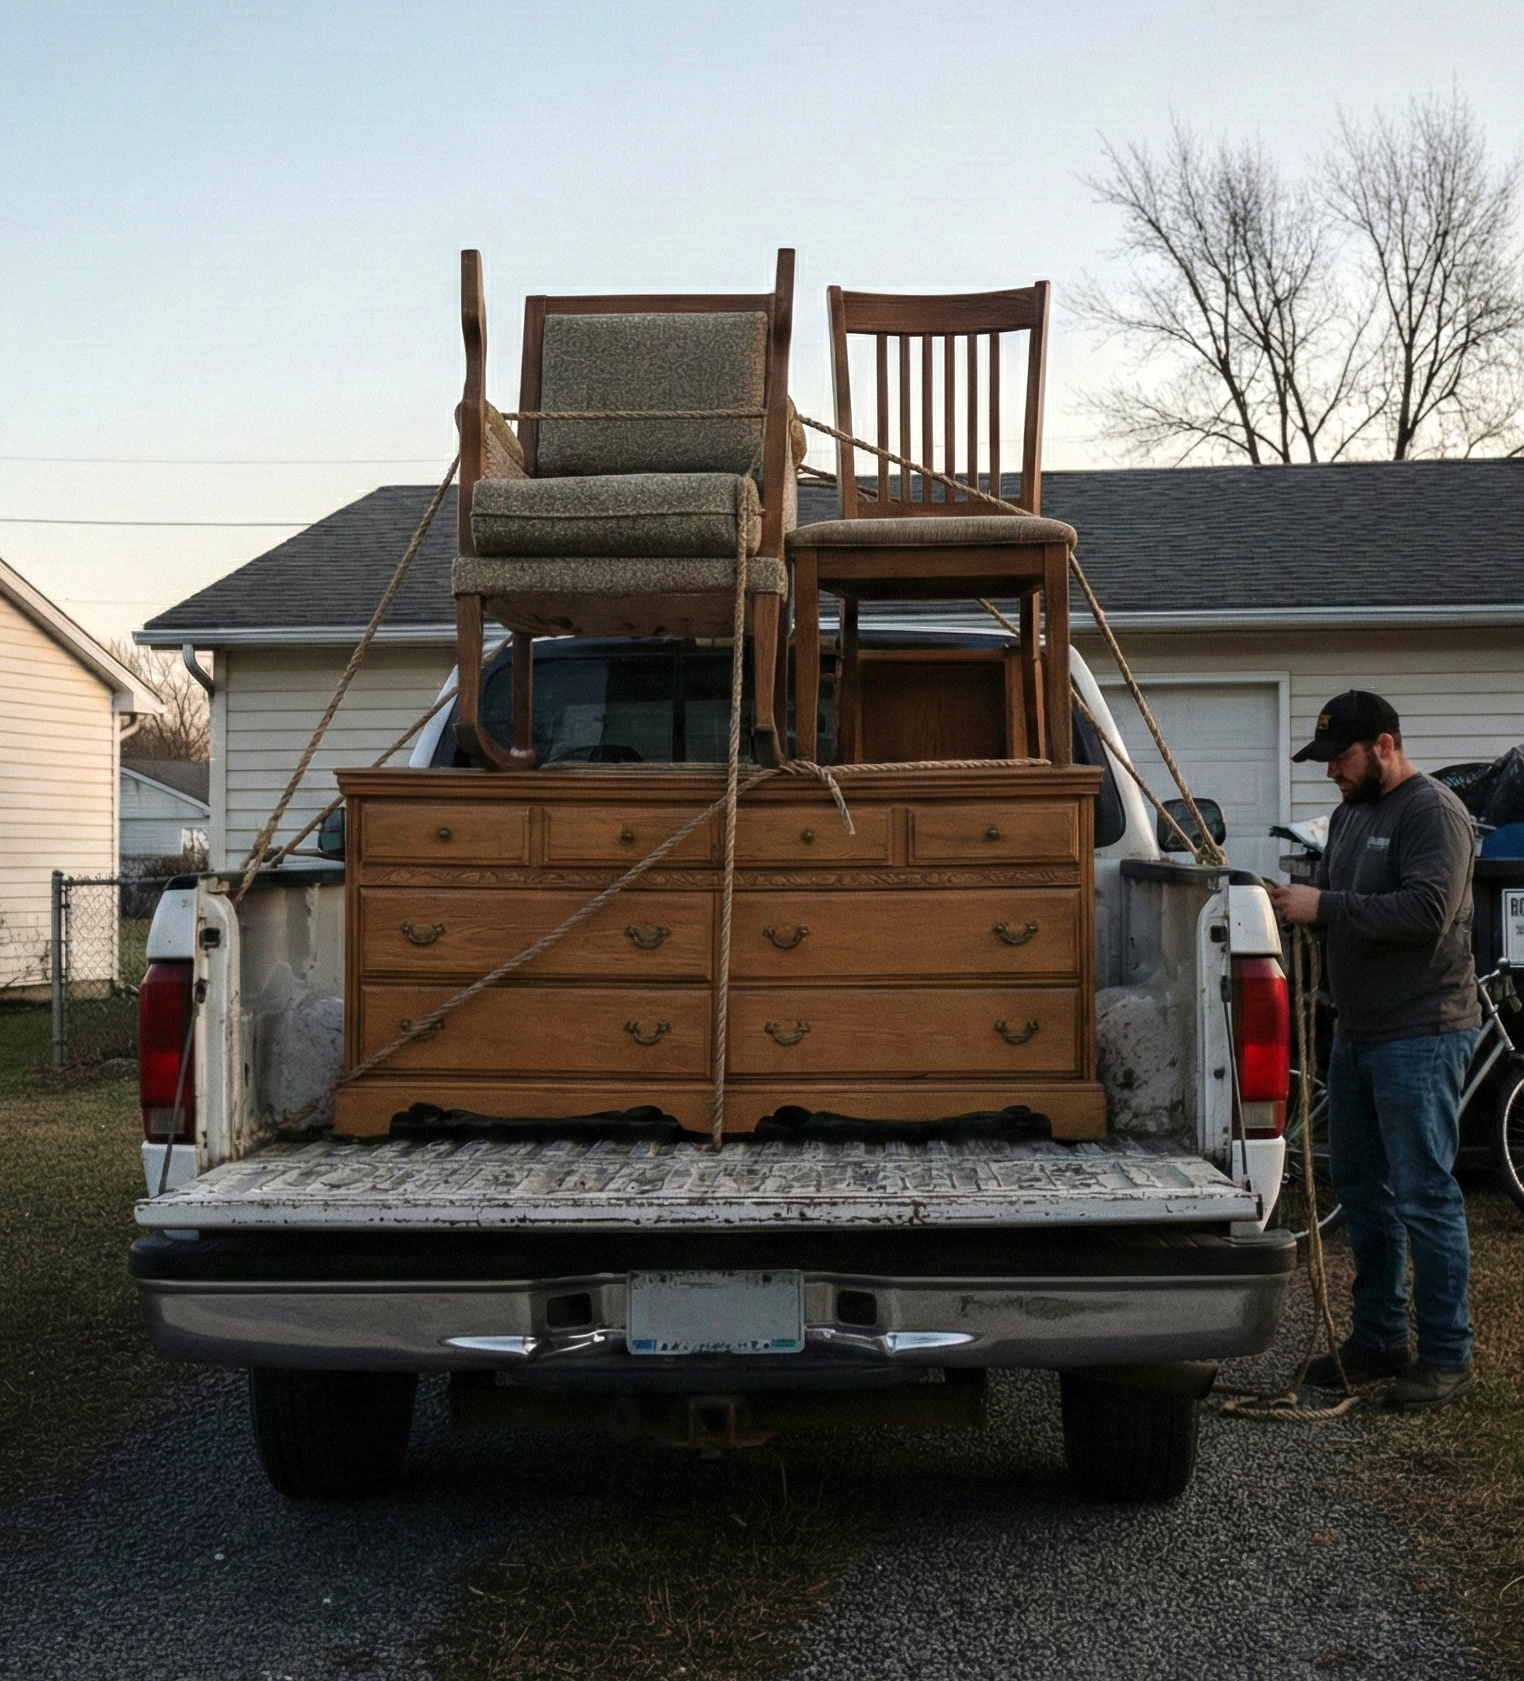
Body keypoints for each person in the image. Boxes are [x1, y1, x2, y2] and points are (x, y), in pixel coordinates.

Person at [1268, 690, 1481, 1411]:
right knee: (1364, 1194)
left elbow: (1427, 912)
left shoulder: (1434, 813)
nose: (1331, 772)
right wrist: (1289, 905)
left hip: (1421, 1032)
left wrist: (1321, 908)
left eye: (1341, 757)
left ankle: (1447, 1355)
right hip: (1356, 1036)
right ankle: (1381, 1336)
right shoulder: (1352, 816)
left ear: (1385, 745)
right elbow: (1334, 900)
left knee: (1424, 1195)